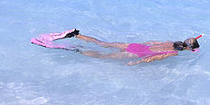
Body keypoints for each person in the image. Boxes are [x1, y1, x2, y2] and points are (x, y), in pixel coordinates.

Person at [65, 29, 201, 65]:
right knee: (103, 56)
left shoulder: (172, 42)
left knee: (103, 44)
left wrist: (140, 45)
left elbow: (152, 42)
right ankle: (77, 50)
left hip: (135, 46)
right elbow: (157, 57)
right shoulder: (174, 52)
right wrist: (138, 62)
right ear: (190, 49)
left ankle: (78, 35)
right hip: (137, 54)